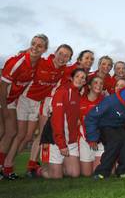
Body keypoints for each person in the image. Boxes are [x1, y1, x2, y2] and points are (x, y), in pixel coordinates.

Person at [2, 44, 72, 179]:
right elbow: (30, 59)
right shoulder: (42, 62)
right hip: (24, 99)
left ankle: (9, 164)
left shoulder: (63, 70)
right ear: (55, 52)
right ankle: (6, 165)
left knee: (27, 136)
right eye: (61, 53)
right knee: (18, 134)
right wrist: (24, 53)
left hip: (37, 103)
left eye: (66, 56)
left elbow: (76, 69)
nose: (63, 57)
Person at [0, 34, 48, 176]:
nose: (35, 47)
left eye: (39, 46)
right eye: (33, 44)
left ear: (44, 49)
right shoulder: (17, 62)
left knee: (11, 133)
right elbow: (2, 86)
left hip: (12, 100)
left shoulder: (39, 62)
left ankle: (4, 168)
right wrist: (4, 108)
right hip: (3, 99)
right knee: (8, 132)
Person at [85, 85, 125, 179]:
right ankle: (101, 172)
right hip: (104, 125)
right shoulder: (112, 101)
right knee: (116, 140)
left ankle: (123, 171)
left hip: (119, 126)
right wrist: (92, 137)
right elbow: (91, 116)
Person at [39, 68, 86, 179]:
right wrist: (61, 144)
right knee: (56, 177)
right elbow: (57, 119)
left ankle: (58, 166)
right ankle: (42, 170)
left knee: (74, 174)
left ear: (84, 82)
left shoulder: (79, 95)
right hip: (54, 138)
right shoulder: (63, 91)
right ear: (72, 78)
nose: (80, 79)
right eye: (77, 76)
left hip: (70, 140)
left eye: (83, 78)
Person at [78, 76, 105, 176]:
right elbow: (79, 123)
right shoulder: (80, 101)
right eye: (96, 83)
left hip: (100, 139)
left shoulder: (105, 101)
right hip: (85, 139)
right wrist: (89, 139)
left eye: (101, 83)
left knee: (98, 172)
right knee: (86, 174)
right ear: (89, 86)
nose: (98, 85)